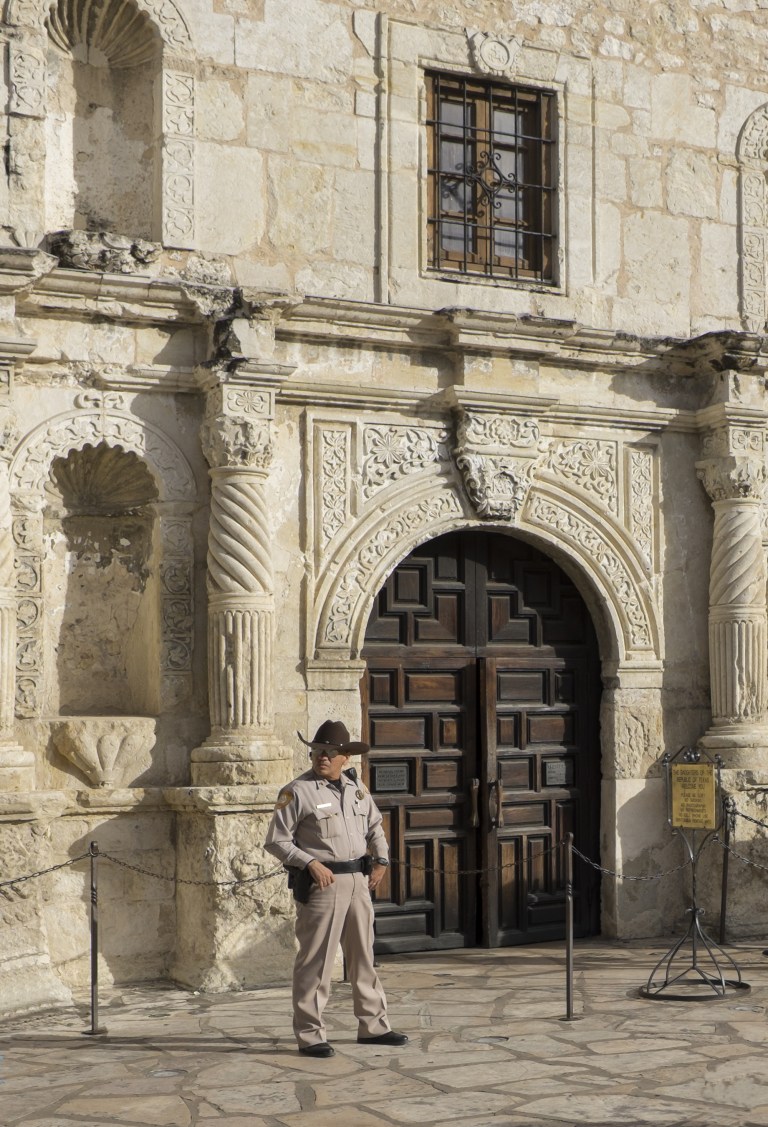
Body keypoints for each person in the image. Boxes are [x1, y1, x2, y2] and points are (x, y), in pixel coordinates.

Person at [265, 719, 409, 1057]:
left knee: (363, 956)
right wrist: (309, 863)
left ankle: (373, 1026)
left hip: (358, 881)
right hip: (322, 884)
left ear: (345, 756)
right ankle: (311, 1034)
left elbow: (374, 826)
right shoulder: (297, 791)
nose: (321, 757)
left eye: (329, 752)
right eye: (317, 751)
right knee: (316, 961)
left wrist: (382, 861)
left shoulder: (356, 789)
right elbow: (277, 841)